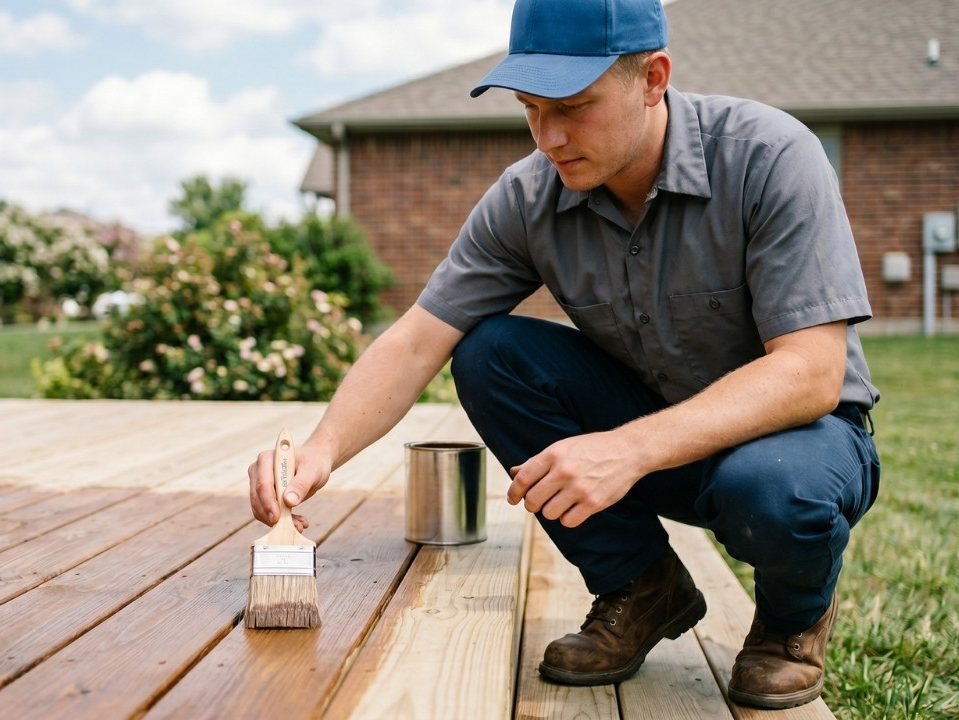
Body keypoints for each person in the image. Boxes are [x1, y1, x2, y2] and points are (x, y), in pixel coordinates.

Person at [248, 0, 880, 709]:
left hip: (799, 444)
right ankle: (642, 587)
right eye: (529, 108)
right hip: (657, 435)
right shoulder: (528, 197)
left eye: (574, 106)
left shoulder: (768, 156)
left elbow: (812, 372)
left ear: (653, 78)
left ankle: (791, 626)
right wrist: (322, 450)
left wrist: (629, 449)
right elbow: (419, 335)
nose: (548, 136)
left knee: (772, 492)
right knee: (490, 350)